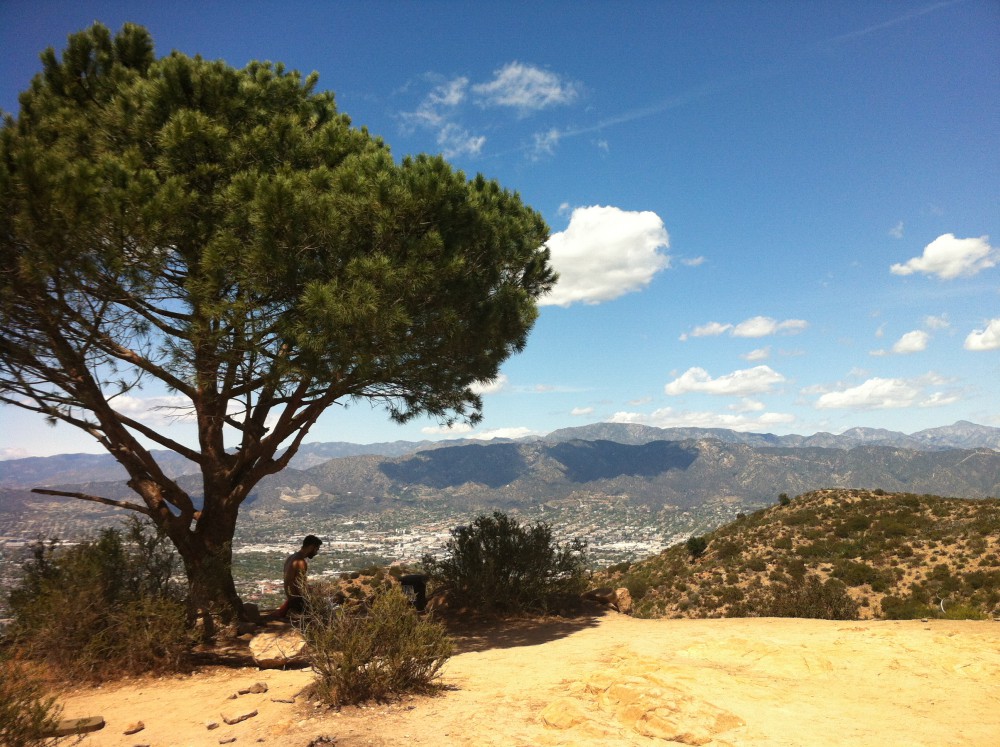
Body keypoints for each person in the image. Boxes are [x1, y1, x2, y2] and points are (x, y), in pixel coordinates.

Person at [277, 534, 322, 617]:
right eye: (317, 549)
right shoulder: (300, 562)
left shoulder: (291, 558)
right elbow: (300, 587)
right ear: (311, 547)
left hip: (291, 599)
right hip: (297, 601)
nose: (316, 553)